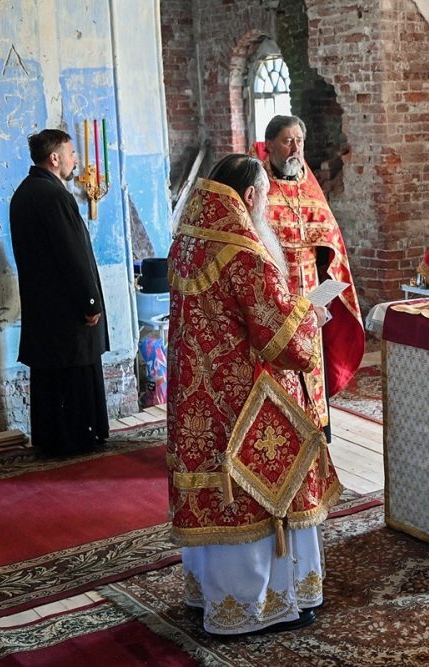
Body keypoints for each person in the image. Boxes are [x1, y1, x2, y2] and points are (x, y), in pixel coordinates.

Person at [167, 153, 341, 634]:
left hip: (197, 397)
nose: (264, 206)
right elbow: (280, 340)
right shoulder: (243, 250)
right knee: (262, 489)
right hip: (247, 398)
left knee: (213, 491)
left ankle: (208, 594)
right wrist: (310, 317)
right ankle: (259, 605)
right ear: (248, 196)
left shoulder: (188, 239)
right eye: (263, 196)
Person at [261, 115, 364, 442]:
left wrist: (327, 276)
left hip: (310, 286)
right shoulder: (258, 185)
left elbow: (330, 240)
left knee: (311, 357)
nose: (295, 148)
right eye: (287, 141)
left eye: (299, 141)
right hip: (275, 286)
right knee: (281, 358)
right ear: (269, 145)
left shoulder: (309, 185)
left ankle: (315, 425)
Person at [10, 129, 109, 457]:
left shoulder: (24, 192)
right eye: (71, 153)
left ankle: (53, 439)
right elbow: (72, 254)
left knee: (50, 378)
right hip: (67, 311)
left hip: (43, 307)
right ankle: (78, 439)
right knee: (74, 374)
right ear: (55, 158)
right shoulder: (54, 196)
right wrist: (90, 301)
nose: (75, 160)